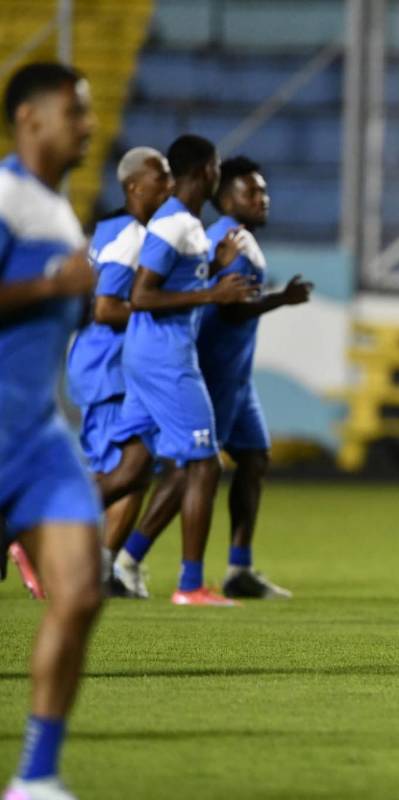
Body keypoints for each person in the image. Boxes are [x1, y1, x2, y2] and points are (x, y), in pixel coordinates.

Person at [107, 155, 311, 600]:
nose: (263, 198)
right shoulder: (217, 235)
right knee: (191, 469)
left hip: (238, 377)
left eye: (263, 190)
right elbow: (228, 308)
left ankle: (239, 567)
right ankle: (129, 560)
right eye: (250, 191)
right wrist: (281, 300)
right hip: (211, 372)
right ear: (223, 195)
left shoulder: (237, 241)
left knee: (254, 458)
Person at [0, 61, 102, 800]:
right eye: (76, 111)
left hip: (37, 438)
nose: (89, 125)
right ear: (29, 118)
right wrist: (54, 287)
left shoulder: (62, 215)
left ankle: (37, 776)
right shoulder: (4, 198)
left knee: (80, 591)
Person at [101, 133, 254, 606]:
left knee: (130, 472)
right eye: (216, 166)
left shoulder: (183, 226)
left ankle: (22, 523)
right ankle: (190, 584)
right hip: (167, 360)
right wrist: (214, 294)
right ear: (207, 170)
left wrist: (213, 264)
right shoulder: (174, 225)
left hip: (149, 357)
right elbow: (142, 296)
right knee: (204, 463)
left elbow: (173, 281)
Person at [64, 146, 173, 595]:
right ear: (134, 187)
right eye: (161, 180)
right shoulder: (131, 235)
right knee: (127, 470)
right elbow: (107, 308)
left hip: (98, 363)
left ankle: (100, 565)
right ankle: (35, 532)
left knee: (131, 469)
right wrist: (164, 314)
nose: (169, 188)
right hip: (111, 367)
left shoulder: (105, 230)